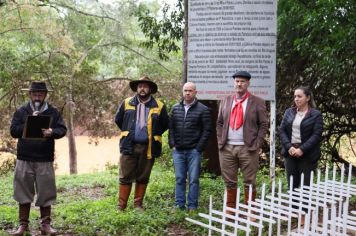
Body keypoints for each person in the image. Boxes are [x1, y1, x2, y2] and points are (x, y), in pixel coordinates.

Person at [10, 81, 67, 236]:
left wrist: (52, 132)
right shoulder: (22, 111)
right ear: (30, 94)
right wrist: (29, 123)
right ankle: (23, 225)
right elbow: (13, 130)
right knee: (23, 191)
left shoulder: (53, 112)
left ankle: (45, 225)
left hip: (45, 159)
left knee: (46, 192)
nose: (37, 97)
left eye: (40, 94)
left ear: (45, 95)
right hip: (24, 158)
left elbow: (62, 129)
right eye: (34, 94)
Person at [216, 71, 268, 216]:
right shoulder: (225, 100)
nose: (239, 84)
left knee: (249, 180)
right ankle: (230, 209)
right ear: (234, 83)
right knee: (229, 180)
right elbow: (219, 123)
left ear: (248, 84)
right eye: (237, 81)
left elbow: (263, 124)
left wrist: (257, 143)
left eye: (242, 82)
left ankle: (250, 209)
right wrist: (221, 140)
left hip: (248, 147)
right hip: (227, 147)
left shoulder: (257, 102)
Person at [114, 76, 169, 211]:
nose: (142, 88)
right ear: (137, 89)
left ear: (150, 89)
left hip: (148, 147)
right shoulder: (126, 103)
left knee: (143, 176)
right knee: (125, 176)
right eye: (140, 86)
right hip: (129, 145)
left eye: (145, 86)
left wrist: (151, 133)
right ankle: (121, 206)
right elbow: (118, 120)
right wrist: (130, 132)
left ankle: (138, 205)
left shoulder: (159, 105)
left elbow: (165, 124)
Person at [168, 82, 212, 211]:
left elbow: (207, 130)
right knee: (180, 178)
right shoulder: (175, 108)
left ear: (195, 92)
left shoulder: (203, 109)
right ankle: (179, 204)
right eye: (185, 90)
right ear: (182, 92)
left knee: (193, 179)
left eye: (190, 91)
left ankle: (192, 206)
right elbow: (171, 128)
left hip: (194, 151)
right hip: (178, 151)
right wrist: (172, 144)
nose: (187, 93)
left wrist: (198, 148)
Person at [279, 86, 323, 212]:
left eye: (299, 96)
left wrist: (302, 149)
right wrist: (289, 147)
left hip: (307, 155)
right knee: (292, 184)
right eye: (295, 96)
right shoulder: (289, 112)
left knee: (305, 185)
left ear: (307, 98)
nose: (296, 99)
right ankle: (294, 213)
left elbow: (316, 135)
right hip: (290, 153)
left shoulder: (316, 115)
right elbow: (282, 131)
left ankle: (304, 213)